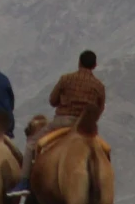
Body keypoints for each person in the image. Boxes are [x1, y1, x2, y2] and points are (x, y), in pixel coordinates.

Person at [13, 48, 106, 194]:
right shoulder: (99, 86)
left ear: (79, 63)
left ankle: (24, 182)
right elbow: (99, 110)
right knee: (105, 151)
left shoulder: (66, 79)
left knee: (32, 143)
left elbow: (52, 100)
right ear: (94, 66)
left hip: (63, 122)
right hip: (86, 128)